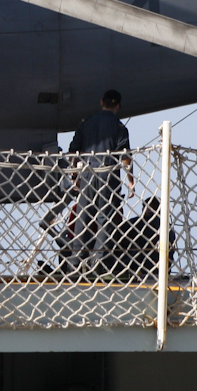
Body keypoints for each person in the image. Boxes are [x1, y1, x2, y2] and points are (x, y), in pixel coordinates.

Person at [66, 90, 133, 275]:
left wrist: (74, 174)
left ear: (101, 101)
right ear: (118, 105)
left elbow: (73, 151)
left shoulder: (86, 123)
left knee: (83, 217)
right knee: (107, 219)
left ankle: (74, 264)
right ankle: (98, 263)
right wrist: (131, 181)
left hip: (87, 173)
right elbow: (125, 157)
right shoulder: (119, 127)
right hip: (108, 175)